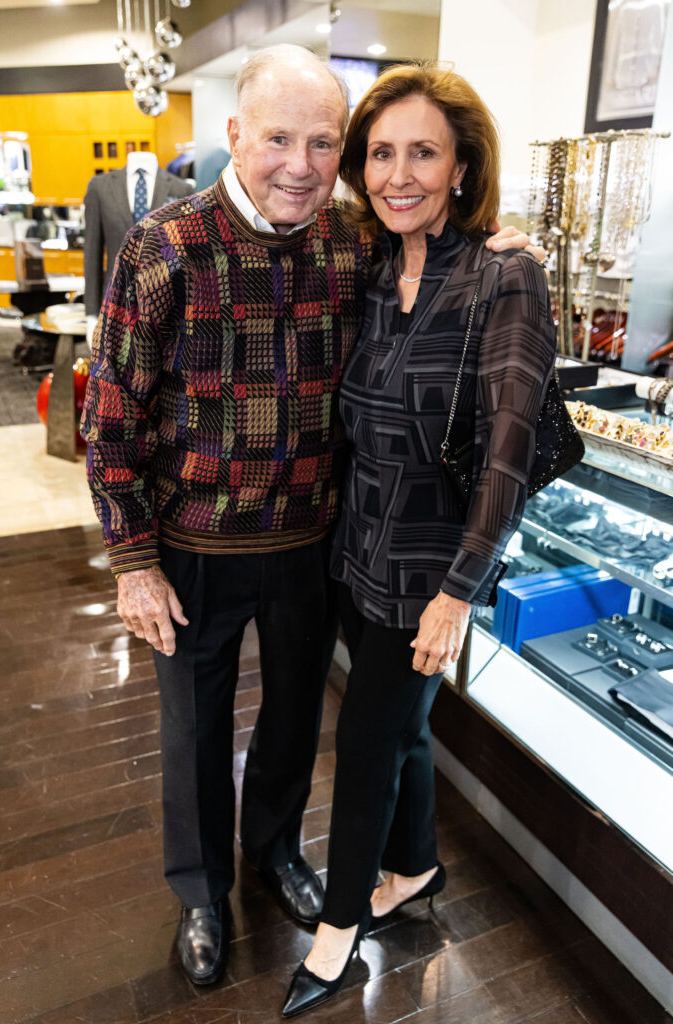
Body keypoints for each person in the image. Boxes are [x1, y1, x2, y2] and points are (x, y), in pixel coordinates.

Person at [81, 45, 541, 990]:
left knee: (293, 719)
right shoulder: (163, 247)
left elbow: (437, 247)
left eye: (323, 143)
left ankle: (276, 852)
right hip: (192, 547)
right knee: (196, 730)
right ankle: (202, 892)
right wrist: (132, 560)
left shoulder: (350, 240)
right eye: (278, 138)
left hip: (313, 545)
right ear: (234, 134)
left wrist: (504, 240)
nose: (299, 163)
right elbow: (110, 416)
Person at [283, 62, 557, 1017]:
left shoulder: (504, 276)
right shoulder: (369, 262)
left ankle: (338, 928)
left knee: (363, 741)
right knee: (399, 728)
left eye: (423, 153)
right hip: (352, 552)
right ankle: (414, 868)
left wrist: (457, 592)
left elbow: (509, 454)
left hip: (427, 572)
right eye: (382, 152)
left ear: (461, 164)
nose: (398, 174)